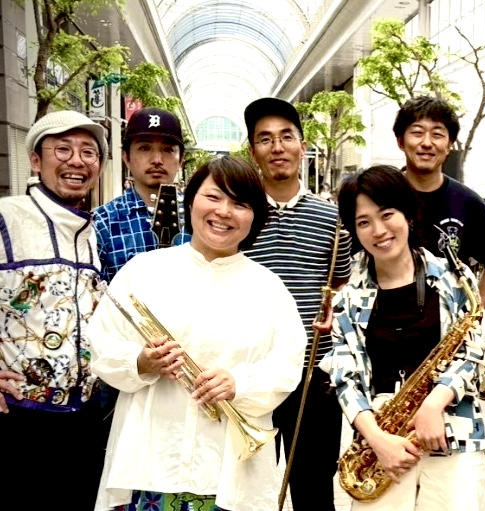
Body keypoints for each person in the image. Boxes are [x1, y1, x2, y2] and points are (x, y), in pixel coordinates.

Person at [87, 156, 307, 511]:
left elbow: (287, 366)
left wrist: (239, 384)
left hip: (229, 473)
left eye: (240, 204)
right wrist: (141, 362)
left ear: (255, 217)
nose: (224, 212)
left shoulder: (270, 290)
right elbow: (102, 345)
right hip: (150, 464)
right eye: (213, 197)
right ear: (190, 202)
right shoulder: (143, 271)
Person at [320, 165, 485, 510]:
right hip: (381, 447)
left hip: (453, 434)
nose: (379, 230)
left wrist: (433, 404)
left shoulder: (455, 278)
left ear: (408, 214)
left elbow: (472, 351)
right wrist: (377, 440)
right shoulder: (347, 299)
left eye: (387, 214)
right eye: (363, 222)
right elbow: (345, 380)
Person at [242, 97, 352, 511]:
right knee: (245, 488)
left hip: (314, 377)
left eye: (286, 137)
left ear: (302, 147)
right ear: (253, 151)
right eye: (265, 139)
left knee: (314, 489)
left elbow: (339, 284)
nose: (277, 147)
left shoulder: (333, 219)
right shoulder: (240, 216)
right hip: (249, 376)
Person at [0, 110, 109, 509]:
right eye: (62, 149)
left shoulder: (90, 232)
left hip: (85, 420)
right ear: (35, 160)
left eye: (88, 152)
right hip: (20, 418)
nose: (77, 161)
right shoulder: (7, 217)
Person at [394, 96, 485, 309]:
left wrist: (475, 313)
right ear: (400, 141)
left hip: (449, 321)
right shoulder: (381, 197)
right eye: (417, 132)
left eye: (437, 134)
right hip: (388, 318)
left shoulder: (471, 203)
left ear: (449, 145)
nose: (427, 143)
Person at [94, 107, 190, 283]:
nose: (157, 160)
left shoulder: (200, 217)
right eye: (145, 148)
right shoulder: (102, 222)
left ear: (181, 160)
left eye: (168, 149)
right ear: (126, 157)